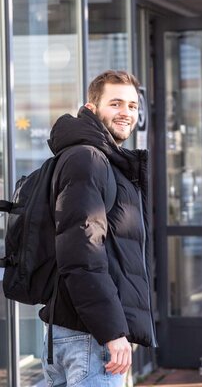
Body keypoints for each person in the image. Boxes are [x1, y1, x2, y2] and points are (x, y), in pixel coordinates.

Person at [40, 70, 157, 386]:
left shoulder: (101, 159)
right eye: (116, 104)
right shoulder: (89, 159)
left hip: (74, 329)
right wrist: (111, 331)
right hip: (89, 336)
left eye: (132, 106)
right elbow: (82, 252)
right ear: (91, 109)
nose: (126, 113)